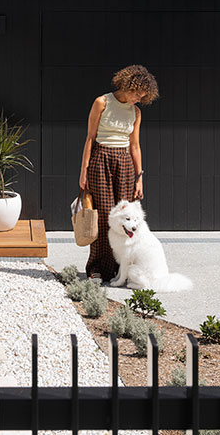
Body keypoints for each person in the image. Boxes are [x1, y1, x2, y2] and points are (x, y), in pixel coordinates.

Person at [78, 64, 159, 282]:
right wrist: (83, 170)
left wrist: (139, 177)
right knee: (104, 216)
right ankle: (96, 268)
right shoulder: (102, 102)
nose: (138, 99)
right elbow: (90, 138)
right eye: (136, 94)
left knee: (124, 218)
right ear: (126, 85)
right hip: (100, 160)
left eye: (143, 96)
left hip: (124, 163)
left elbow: (135, 146)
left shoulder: (136, 112)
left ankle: (116, 269)